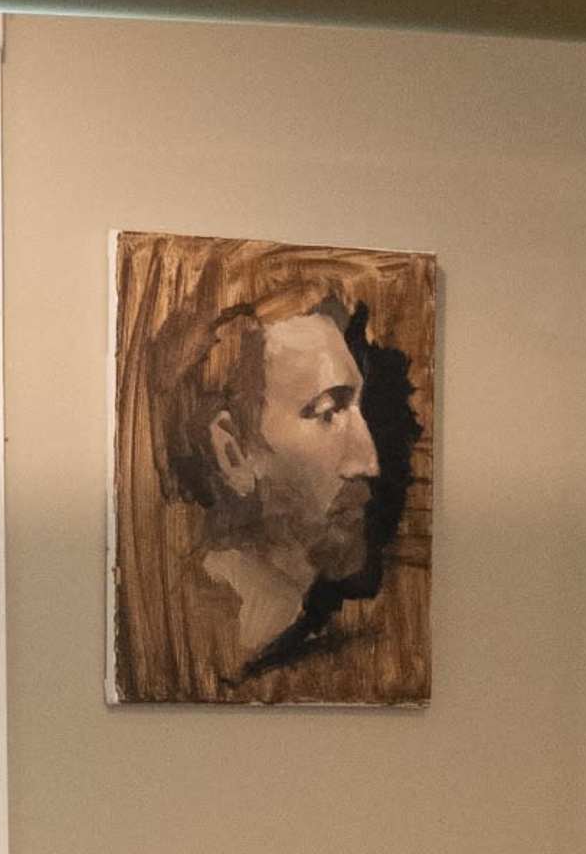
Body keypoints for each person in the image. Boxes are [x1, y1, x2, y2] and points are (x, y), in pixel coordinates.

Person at [115, 236, 428, 703]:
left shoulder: (334, 639)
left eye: (358, 409)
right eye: (327, 412)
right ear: (234, 454)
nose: (368, 460)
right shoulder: (198, 643)